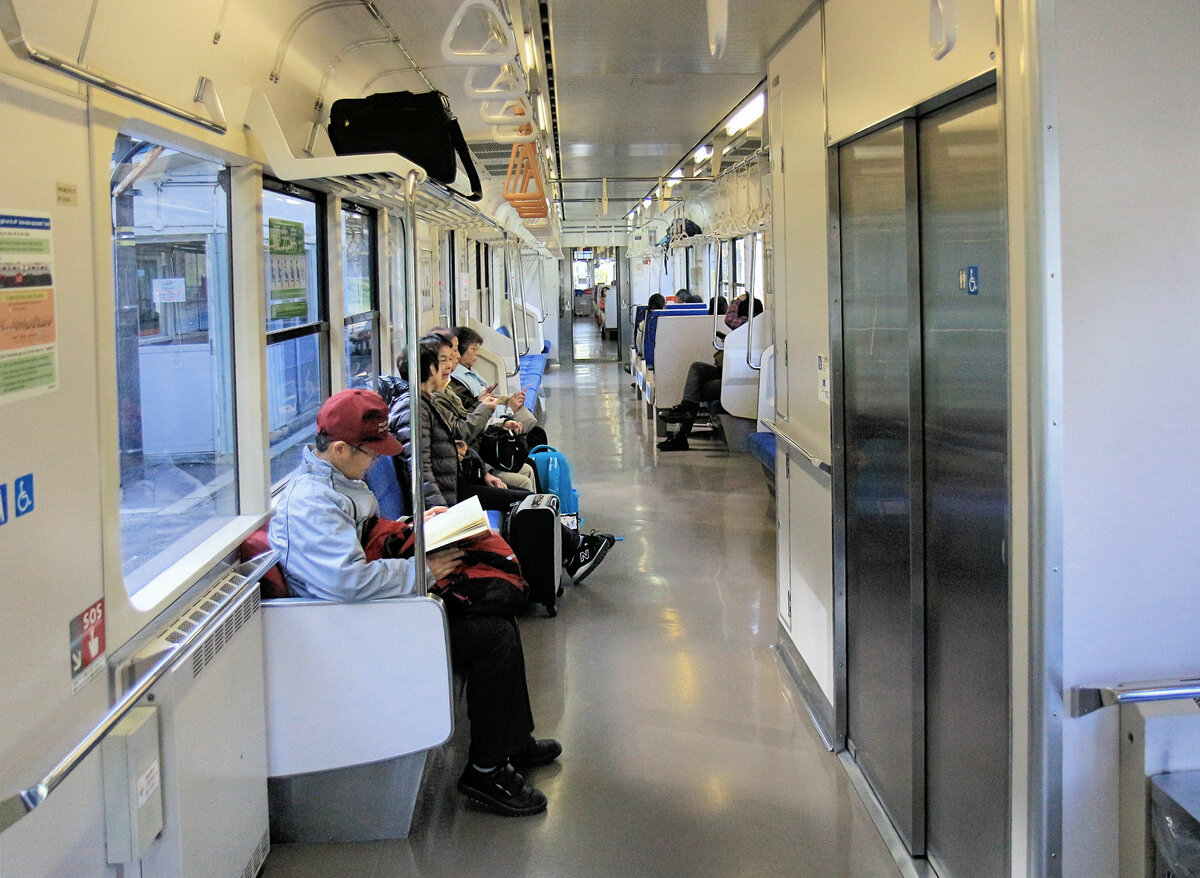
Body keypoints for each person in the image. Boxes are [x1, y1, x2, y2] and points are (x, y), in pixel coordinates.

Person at [269, 388, 560, 816]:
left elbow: (366, 539)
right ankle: (485, 770)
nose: (374, 463)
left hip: (372, 611)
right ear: (338, 448)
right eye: (370, 455)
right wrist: (427, 569)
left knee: (493, 611)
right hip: (349, 629)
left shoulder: (339, 481)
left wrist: (415, 525)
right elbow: (349, 581)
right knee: (491, 636)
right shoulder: (311, 504)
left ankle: (509, 740)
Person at [393, 340, 616, 584]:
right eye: (442, 362)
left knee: (524, 496)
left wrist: (484, 472)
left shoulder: (427, 402)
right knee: (525, 500)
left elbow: (452, 449)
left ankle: (572, 551)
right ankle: (575, 549)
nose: (449, 367)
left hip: (460, 483)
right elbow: (420, 470)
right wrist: (443, 517)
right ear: (430, 369)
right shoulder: (413, 409)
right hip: (452, 496)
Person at [656, 295, 764, 452]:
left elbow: (729, 318)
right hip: (729, 372)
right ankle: (685, 414)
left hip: (740, 377)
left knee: (696, 390)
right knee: (697, 368)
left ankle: (681, 434)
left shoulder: (753, 325)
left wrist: (739, 299)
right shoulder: (746, 329)